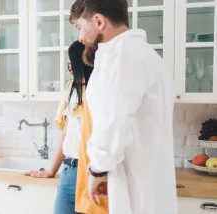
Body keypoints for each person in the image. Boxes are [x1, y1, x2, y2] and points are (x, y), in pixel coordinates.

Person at [69, 0, 178, 214]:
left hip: (135, 189)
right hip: (146, 184)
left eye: (80, 27)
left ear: (99, 21)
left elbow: (113, 118)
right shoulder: (145, 55)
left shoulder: (121, 57)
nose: (80, 38)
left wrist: (97, 170)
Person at [24, 41, 93, 214]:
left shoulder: (101, 90)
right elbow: (67, 131)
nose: (70, 70)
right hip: (70, 172)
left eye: (72, 65)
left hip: (94, 172)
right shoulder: (71, 89)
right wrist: (52, 170)